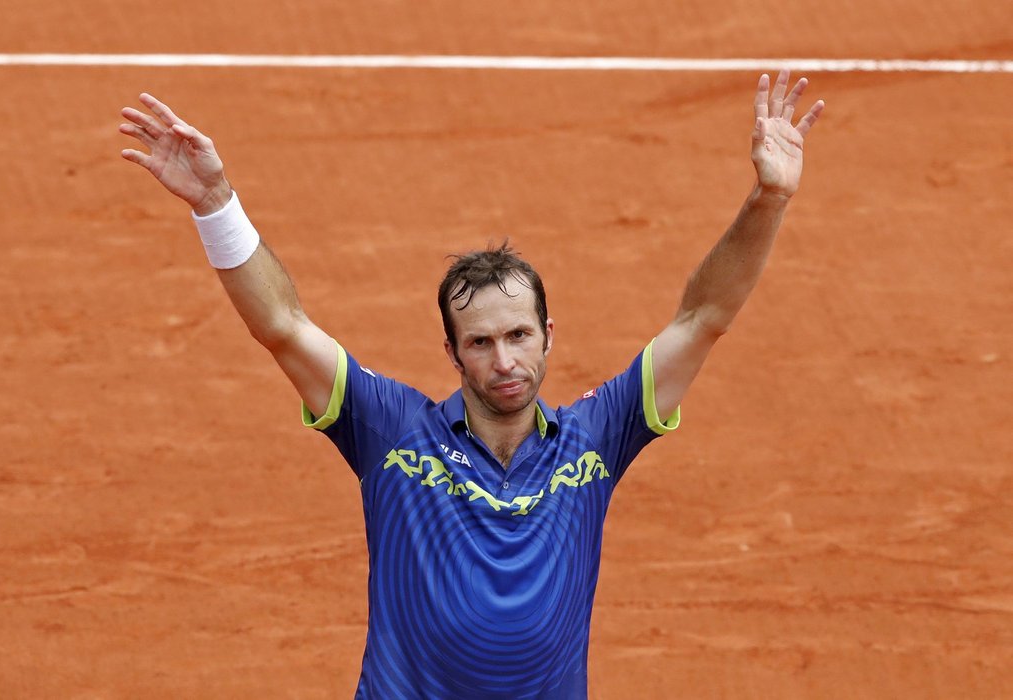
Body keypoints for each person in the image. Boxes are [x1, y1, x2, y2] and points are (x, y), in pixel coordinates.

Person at [120, 70, 824, 699]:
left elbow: (704, 317)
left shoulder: (598, 437)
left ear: (550, 335)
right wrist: (215, 202)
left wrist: (768, 199)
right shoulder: (391, 432)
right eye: (480, 343)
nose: (505, 360)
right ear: (453, 353)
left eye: (519, 335)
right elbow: (281, 324)